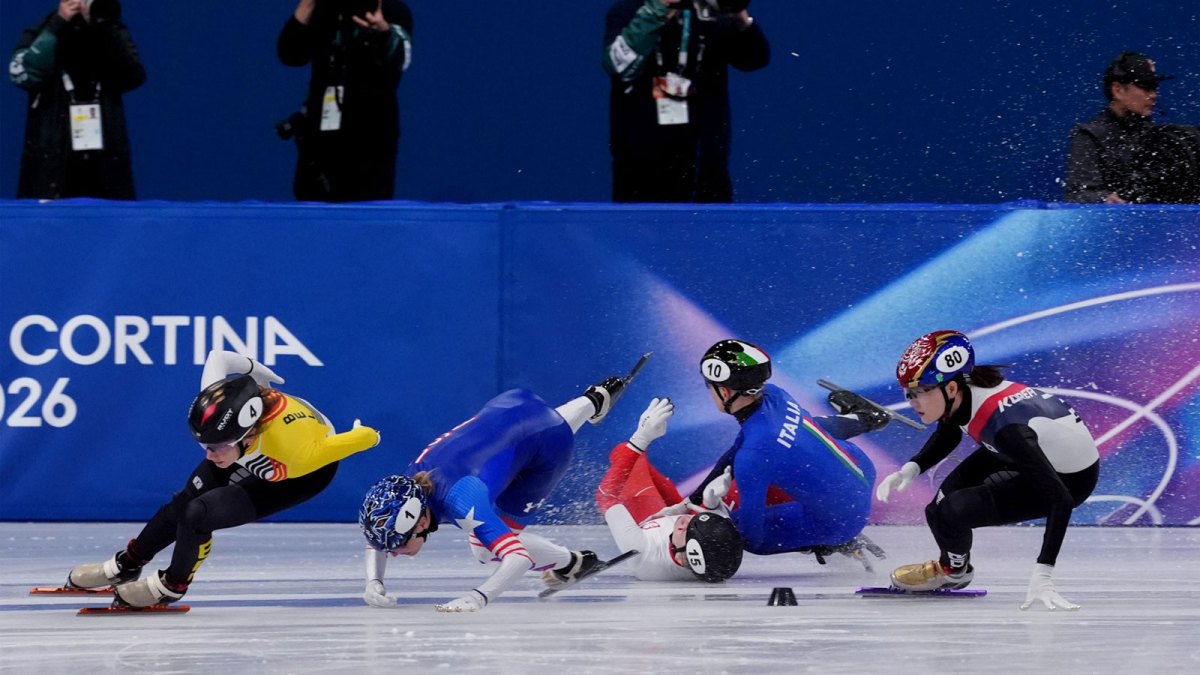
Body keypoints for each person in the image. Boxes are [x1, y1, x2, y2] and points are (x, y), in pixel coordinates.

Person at [64, 350, 381, 608]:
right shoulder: (218, 405)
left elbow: (365, 439)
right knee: (183, 503)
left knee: (198, 515)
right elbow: (218, 358)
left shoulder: (293, 457)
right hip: (256, 446)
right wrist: (256, 369)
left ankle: (173, 584)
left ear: (248, 435)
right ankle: (128, 564)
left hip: (302, 474)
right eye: (203, 445)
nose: (207, 454)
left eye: (215, 447)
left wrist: (362, 433)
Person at [358, 367, 638, 612]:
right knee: (545, 423)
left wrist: (479, 596)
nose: (394, 553)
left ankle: (573, 563)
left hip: (546, 448)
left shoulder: (461, 500)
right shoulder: (406, 486)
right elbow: (380, 533)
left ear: (420, 521)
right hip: (513, 404)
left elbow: (517, 558)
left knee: (485, 551)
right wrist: (374, 582)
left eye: (398, 544)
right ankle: (594, 399)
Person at [879, 330, 1100, 610]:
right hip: (1024, 453)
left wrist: (1044, 573)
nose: (912, 402)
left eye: (920, 393)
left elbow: (1061, 499)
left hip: (1069, 480)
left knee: (952, 512)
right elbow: (950, 430)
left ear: (949, 389)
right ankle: (954, 567)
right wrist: (912, 467)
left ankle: (952, 573)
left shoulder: (1008, 430)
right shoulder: (963, 389)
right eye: (908, 393)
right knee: (936, 508)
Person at [652, 339, 887, 567]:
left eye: (709, 387)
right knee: (804, 430)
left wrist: (712, 516)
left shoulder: (754, 455)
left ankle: (832, 543)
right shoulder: (776, 394)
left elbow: (753, 533)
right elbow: (737, 450)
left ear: (724, 392)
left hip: (842, 522)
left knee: (743, 535)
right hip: (862, 468)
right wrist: (692, 500)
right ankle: (865, 418)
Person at [603, 0, 769, 203]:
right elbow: (619, 68)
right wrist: (656, 12)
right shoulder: (629, 11)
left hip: (704, 160)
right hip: (641, 162)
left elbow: (754, 59)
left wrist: (738, 13)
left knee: (710, 228)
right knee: (638, 229)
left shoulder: (711, 15)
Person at [9, 0, 145, 200]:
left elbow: (134, 76)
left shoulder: (110, 30)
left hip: (105, 163)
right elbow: (25, 74)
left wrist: (105, 26)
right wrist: (59, 23)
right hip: (50, 163)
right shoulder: (43, 29)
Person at [596, 397, 744, 582]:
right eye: (694, 521)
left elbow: (606, 496)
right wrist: (710, 505)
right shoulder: (715, 548)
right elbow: (704, 528)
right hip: (675, 526)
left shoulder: (640, 549)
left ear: (682, 558)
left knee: (624, 452)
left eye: (685, 530)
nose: (683, 520)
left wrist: (640, 439)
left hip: (645, 517)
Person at [278, 0, 413, 202]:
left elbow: (400, 57)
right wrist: (307, 5)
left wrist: (384, 33)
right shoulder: (322, 11)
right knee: (313, 221)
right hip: (318, 141)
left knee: (364, 221)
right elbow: (290, 54)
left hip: (369, 144)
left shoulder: (389, 9)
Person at [1065, 51, 1200, 204]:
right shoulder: (1091, 135)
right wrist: (1105, 199)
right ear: (1118, 90)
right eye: (1146, 87)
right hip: (1116, 225)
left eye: (1155, 87)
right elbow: (1078, 194)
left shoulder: (1163, 139)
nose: (1154, 95)